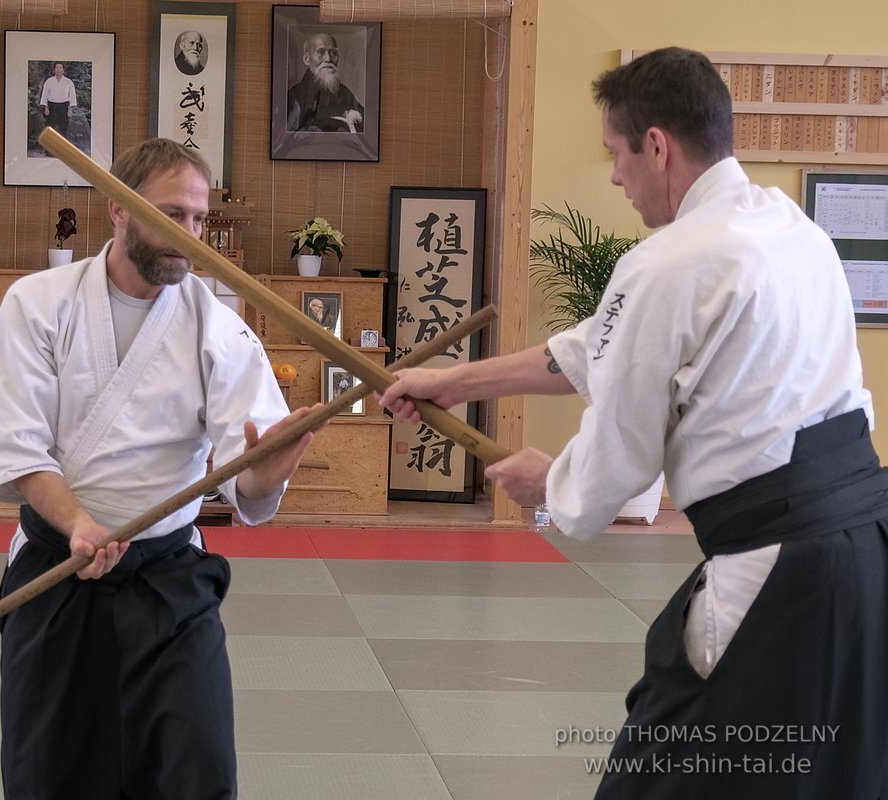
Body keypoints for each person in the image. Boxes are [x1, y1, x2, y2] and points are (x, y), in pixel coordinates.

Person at [379, 47, 888, 798]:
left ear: (657, 145)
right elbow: (599, 348)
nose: (615, 175)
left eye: (617, 154)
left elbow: (620, 458)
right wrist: (454, 381)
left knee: (665, 776)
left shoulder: (666, 264)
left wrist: (553, 483)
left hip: (776, 568)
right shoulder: (789, 226)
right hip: (866, 549)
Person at [0, 137, 319, 800]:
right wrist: (79, 526)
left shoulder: (216, 325)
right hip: (57, 569)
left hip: (168, 578)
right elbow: (21, 449)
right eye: (172, 214)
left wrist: (270, 470)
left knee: (199, 771)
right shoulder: (38, 303)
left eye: (197, 218)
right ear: (118, 209)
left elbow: (242, 476)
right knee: (49, 776)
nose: (188, 235)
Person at [286, 32, 364, 133]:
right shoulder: (294, 96)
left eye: (333, 53)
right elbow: (288, 139)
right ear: (307, 59)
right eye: (320, 52)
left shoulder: (344, 92)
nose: (328, 59)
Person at [38, 62, 77, 137]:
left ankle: (62, 146)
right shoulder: (49, 81)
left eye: (60, 68)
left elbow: (72, 95)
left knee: (64, 127)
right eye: (57, 68)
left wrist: (70, 108)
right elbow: (45, 94)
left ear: (63, 70)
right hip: (52, 106)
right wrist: (46, 107)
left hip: (64, 106)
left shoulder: (68, 82)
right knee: (50, 126)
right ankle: (49, 147)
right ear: (54, 70)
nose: (58, 70)